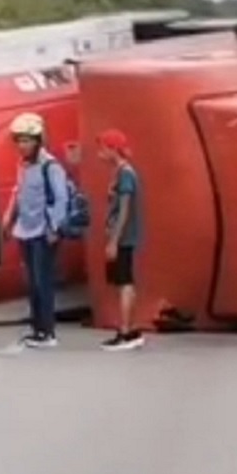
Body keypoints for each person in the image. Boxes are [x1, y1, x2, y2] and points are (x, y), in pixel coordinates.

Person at [2, 113, 69, 348]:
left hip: (43, 231)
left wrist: (54, 228)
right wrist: (9, 218)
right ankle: (37, 328)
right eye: (19, 140)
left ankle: (48, 331)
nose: (22, 145)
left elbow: (61, 199)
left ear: (38, 141)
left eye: (27, 140)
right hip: (25, 230)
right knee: (31, 282)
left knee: (43, 281)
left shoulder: (50, 166)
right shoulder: (23, 165)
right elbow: (18, 192)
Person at [98, 129, 144, 351]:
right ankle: (129, 327)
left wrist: (114, 240)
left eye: (103, 148)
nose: (100, 153)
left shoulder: (125, 174)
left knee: (125, 282)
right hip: (122, 236)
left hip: (123, 238)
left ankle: (126, 330)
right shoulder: (120, 172)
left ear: (112, 149)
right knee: (123, 281)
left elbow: (124, 209)